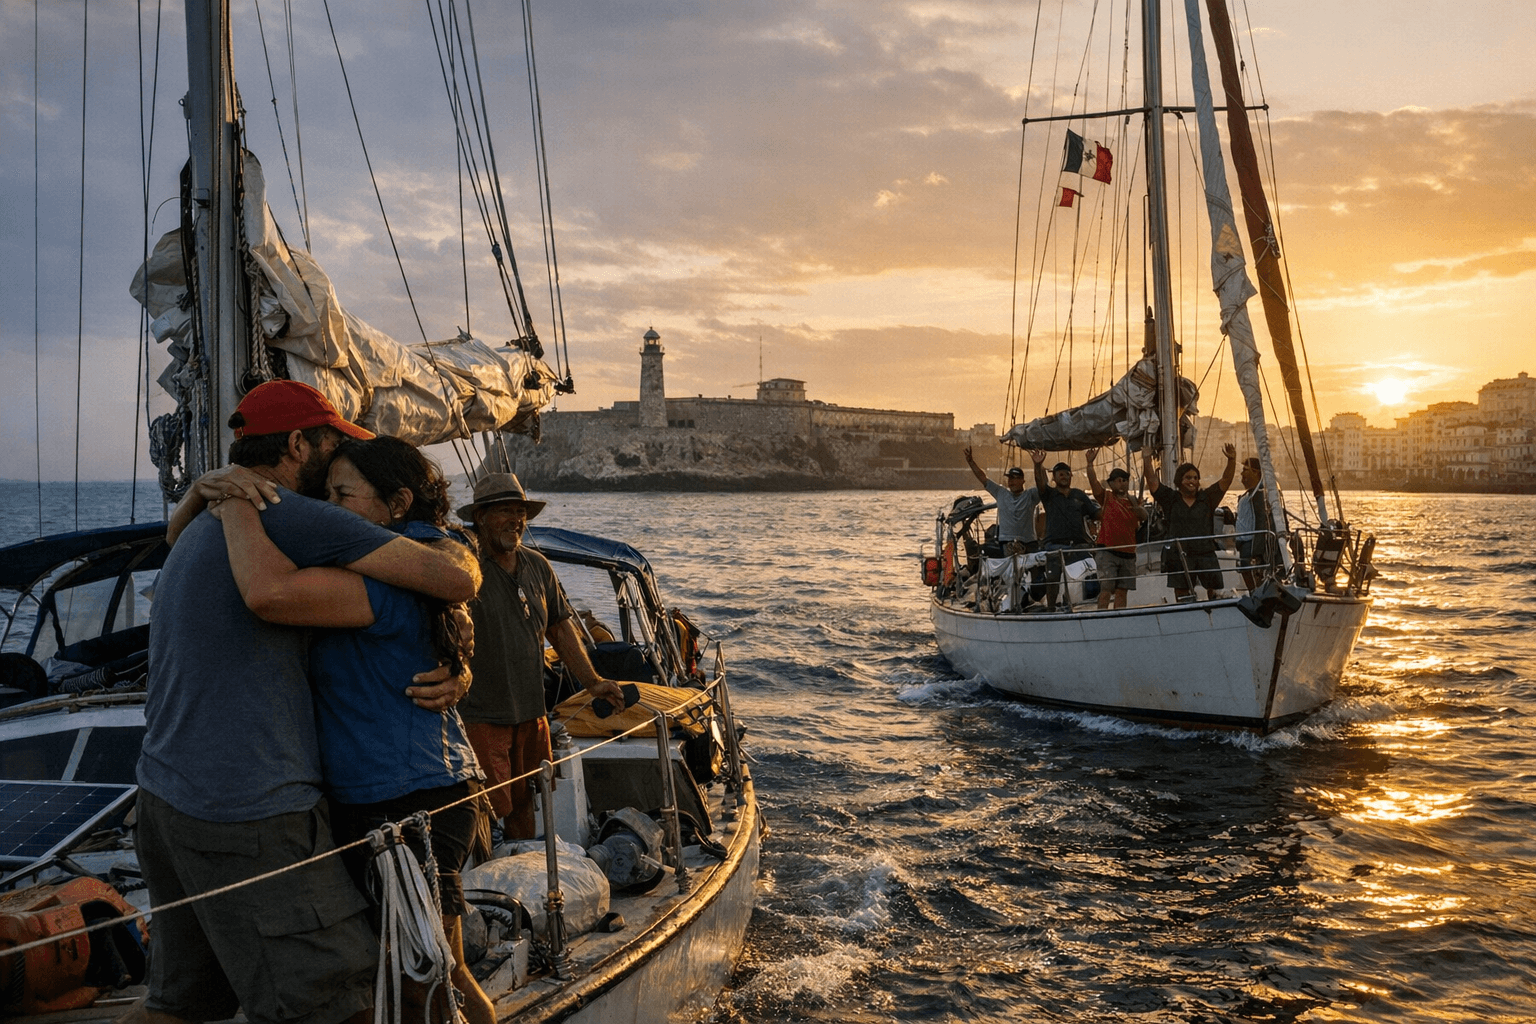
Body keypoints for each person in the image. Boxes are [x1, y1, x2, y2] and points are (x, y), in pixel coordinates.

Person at [131, 381, 479, 1024]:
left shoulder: (206, 524)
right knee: (339, 1002)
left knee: (179, 1007)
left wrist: (207, 497)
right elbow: (456, 575)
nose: (334, 473)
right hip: (249, 810)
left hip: (162, 802)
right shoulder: (289, 513)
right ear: (297, 443)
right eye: (330, 446)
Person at [209, 436, 496, 1024]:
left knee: (435, 981)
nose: (330, 508)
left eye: (344, 495)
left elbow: (271, 594)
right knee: (414, 976)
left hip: (412, 795)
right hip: (380, 796)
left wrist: (231, 505)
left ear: (397, 503)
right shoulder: (374, 555)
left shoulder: (399, 566)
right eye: (325, 493)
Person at [456, 473, 625, 840]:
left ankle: (524, 871)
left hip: (533, 714)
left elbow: (561, 629)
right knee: (483, 813)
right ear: (481, 517)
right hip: (482, 716)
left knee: (525, 803)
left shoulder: (537, 566)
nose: (517, 521)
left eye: (521, 512)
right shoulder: (464, 568)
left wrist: (593, 682)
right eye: (505, 511)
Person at [1142, 443, 1239, 602]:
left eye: (1195, 477)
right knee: (1182, 595)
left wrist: (1232, 460)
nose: (1192, 481)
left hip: (1205, 552)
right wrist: (1146, 458)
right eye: (1188, 477)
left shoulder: (1207, 498)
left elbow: (1226, 480)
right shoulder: (1170, 499)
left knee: (1216, 591)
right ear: (1179, 480)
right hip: (1179, 554)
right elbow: (1152, 481)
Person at [1030, 450, 1101, 611]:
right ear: (1054, 478)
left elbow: (1095, 513)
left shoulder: (1079, 495)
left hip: (1078, 545)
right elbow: (1039, 482)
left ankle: (1081, 603)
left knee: (1092, 567)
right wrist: (1037, 464)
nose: (1064, 476)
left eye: (1067, 473)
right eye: (1060, 474)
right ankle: (1051, 608)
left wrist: (1111, 510)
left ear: (1071, 476)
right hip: (1054, 545)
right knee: (1053, 576)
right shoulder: (1048, 495)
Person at [1084, 446, 1148, 609]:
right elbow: (1094, 483)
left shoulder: (1134, 501)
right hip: (1107, 551)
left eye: (1124, 480)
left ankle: (1119, 616)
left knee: (1122, 591)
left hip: (1128, 553)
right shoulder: (1106, 497)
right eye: (1118, 480)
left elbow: (1143, 518)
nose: (1122, 482)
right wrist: (1090, 464)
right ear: (1111, 483)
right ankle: (1102, 616)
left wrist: (1140, 511)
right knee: (1106, 589)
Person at [963, 446, 1040, 554]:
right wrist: (971, 462)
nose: (1011, 481)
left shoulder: (1031, 495)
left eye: (1015, 478)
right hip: (1006, 544)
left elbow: (1042, 484)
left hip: (1028, 544)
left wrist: (1038, 465)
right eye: (1010, 478)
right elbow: (983, 478)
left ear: (1023, 481)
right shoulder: (1001, 493)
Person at [1234, 457, 1276, 592]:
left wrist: (1256, 551)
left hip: (1251, 544)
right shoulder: (1248, 496)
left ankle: (1255, 594)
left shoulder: (1258, 495)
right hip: (1243, 542)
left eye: (1245, 470)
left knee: (1250, 573)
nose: (1241, 474)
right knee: (1246, 572)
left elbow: (1261, 521)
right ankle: (1254, 593)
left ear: (1256, 473)